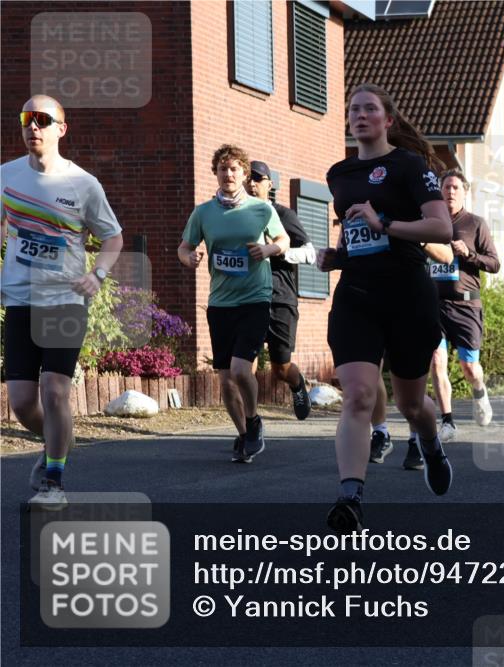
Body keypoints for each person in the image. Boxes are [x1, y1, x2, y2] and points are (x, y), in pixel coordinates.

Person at [319, 83, 452, 534]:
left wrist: (386, 223)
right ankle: (351, 496)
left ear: (387, 119)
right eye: (353, 109)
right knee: (358, 394)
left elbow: (443, 227)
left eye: (369, 109)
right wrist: (335, 256)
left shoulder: (410, 165)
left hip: (407, 294)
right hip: (357, 293)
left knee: (412, 404)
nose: (359, 115)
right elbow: (353, 235)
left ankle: (431, 444)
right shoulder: (338, 174)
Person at [4, 95, 124, 508]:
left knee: (55, 391)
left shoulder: (84, 184)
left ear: (61, 129)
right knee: (22, 401)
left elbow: (113, 237)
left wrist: (98, 274)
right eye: (26, 119)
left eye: (42, 120)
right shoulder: (6, 177)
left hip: (65, 300)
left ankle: (54, 481)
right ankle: (55, 445)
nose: (33, 127)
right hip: (20, 299)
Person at [179, 145, 289, 463]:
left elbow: (283, 241)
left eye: (234, 169)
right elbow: (184, 247)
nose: (228, 174)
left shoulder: (261, 209)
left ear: (243, 174)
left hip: (255, 299)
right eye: (222, 169)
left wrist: (268, 251)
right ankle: (243, 434)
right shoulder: (203, 213)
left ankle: (254, 422)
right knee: (226, 380)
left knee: (242, 370)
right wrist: (190, 258)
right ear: (216, 173)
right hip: (220, 303)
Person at [368, 239, 455, 470]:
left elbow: (446, 255)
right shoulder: (359, 205)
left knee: (410, 394)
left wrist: (415, 236)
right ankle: (380, 433)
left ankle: (418, 441)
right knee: (368, 370)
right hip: (369, 297)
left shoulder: (419, 209)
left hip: (410, 299)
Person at [428, 168, 501, 440]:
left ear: (465, 192)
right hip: (435, 304)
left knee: (469, 367)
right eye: (446, 187)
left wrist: (468, 254)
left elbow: (494, 263)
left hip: (466, 305)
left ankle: (479, 391)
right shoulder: (430, 223)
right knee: (436, 361)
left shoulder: (475, 224)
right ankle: (447, 421)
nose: (450, 192)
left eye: (455, 187)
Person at [246, 160, 315, 420]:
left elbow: (310, 254)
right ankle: (249, 422)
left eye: (258, 179)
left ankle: (298, 386)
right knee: (245, 365)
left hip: (280, 298)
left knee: (280, 369)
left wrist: (277, 250)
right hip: (248, 297)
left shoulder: (283, 215)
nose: (252, 184)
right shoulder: (238, 217)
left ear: (269, 184)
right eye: (248, 178)